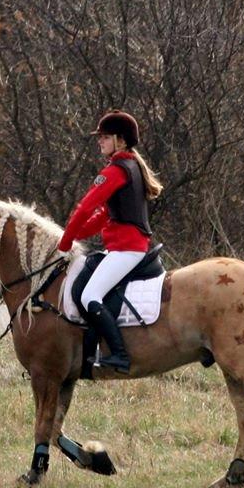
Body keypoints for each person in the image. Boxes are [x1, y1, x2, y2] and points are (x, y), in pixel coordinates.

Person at [57, 110, 164, 373]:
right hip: (127, 246)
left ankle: (119, 355)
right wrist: (77, 237)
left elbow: (85, 208)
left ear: (120, 139)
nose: (99, 142)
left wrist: (64, 242)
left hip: (127, 249)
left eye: (105, 137)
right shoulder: (132, 166)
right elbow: (105, 214)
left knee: (89, 295)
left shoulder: (117, 170)